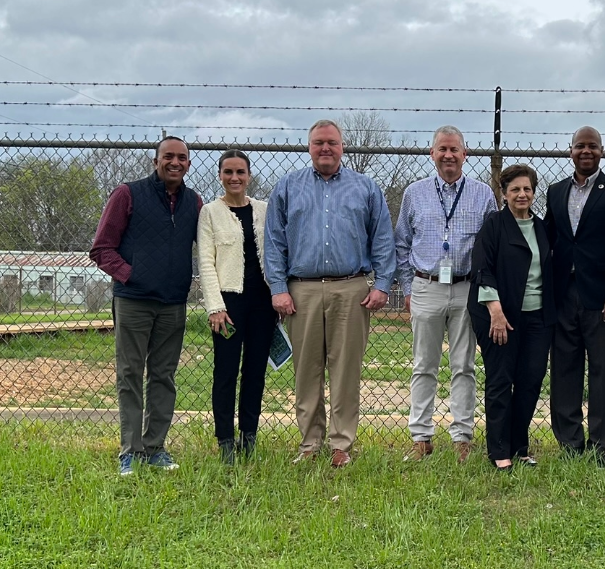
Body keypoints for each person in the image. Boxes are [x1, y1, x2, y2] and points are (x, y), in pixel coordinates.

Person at [264, 119, 396, 469]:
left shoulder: (366, 188)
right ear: (309, 146)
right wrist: (278, 288)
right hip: (301, 291)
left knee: (345, 371)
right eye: (319, 142)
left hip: (350, 288)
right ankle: (310, 443)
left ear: (342, 147)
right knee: (306, 372)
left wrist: (382, 284)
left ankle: (342, 444)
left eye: (332, 143)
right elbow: (274, 242)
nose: (326, 148)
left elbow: (382, 239)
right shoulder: (288, 187)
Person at [90, 135, 202, 476]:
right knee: (129, 375)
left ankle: (155, 448)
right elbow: (102, 248)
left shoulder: (194, 203)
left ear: (188, 163)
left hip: (173, 304)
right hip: (134, 302)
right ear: (155, 161)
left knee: (163, 376)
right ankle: (130, 451)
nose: (175, 162)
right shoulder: (128, 194)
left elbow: (210, 246)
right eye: (168, 156)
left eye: (181, 158)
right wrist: (132, 276)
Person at [396, 125, 497, 464]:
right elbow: (401, 243)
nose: (449, 155)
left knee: (463, 365)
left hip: (467, 288)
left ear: (465, 154)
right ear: (432, 154)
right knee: (424, 365)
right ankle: (421, 437)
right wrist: (408, 288)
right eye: (442, 149)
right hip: (426, 286)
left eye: (455, 149)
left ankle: (462, 437)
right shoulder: (415, 193)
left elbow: (492, 245)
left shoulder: (483, 194)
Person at [545, 126, 605, 462]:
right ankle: (570, 443)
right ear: (570, 150)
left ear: (602, 151)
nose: (587, 151)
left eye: (593, 146)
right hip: (563, 295)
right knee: (564, 370)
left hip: (602, 299)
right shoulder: (555, 192)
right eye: (580, 146)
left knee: (601, 372)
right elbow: (551, 241)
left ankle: (601, 446)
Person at [469, 164, 555, 471]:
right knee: (501, 381)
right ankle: (498, 450)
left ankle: (520, 446)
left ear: (534, 193)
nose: (522, 194)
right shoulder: (494, 226)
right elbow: (482, 268)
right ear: (504, 193)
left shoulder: (543, 228)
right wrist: (495, 312)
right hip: (500, 317)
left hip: (538, 318)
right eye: (515, 189)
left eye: (527, 189)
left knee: (530, 381)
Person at [198, 149, 278, 464]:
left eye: (240, 172)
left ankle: (249, 436)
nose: (234, 178)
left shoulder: (264, 209)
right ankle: (225, 441)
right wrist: (215, 306)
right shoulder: (210, 212)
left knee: (255, 371)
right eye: (228, 172)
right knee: (226, 371)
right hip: (229, 305)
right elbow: (205, 261)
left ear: (248, 175)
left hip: (262, 303)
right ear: (220, 175)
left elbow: (275, 251)